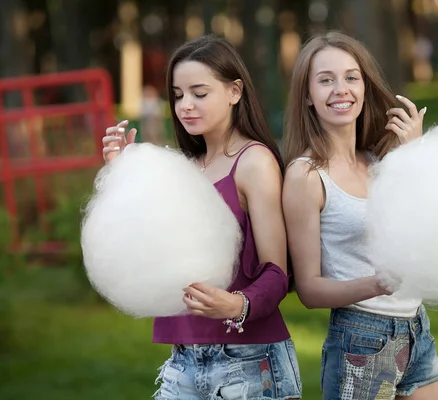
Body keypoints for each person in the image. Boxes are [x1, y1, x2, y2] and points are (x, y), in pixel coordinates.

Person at [102, 35, 302, 400]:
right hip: (183, 361)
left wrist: (237, 305)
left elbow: (278, 270)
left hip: (249, 361)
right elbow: (152, 254)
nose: (185, 106)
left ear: (234, 91)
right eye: (178, 95)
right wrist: (124, 175)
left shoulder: (253, 162)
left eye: (199, 93)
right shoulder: (184, 168)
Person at [282, 31, 438, 399]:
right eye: (325, 80)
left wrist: (414, 155)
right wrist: (376, 284)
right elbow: (309, 289)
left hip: (415, 329)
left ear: (364, 86)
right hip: (362, 339)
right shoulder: (306, 175)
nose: (340, 89)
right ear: (308, 97)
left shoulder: (379, 161)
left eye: (350, 77)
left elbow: (429, 228)